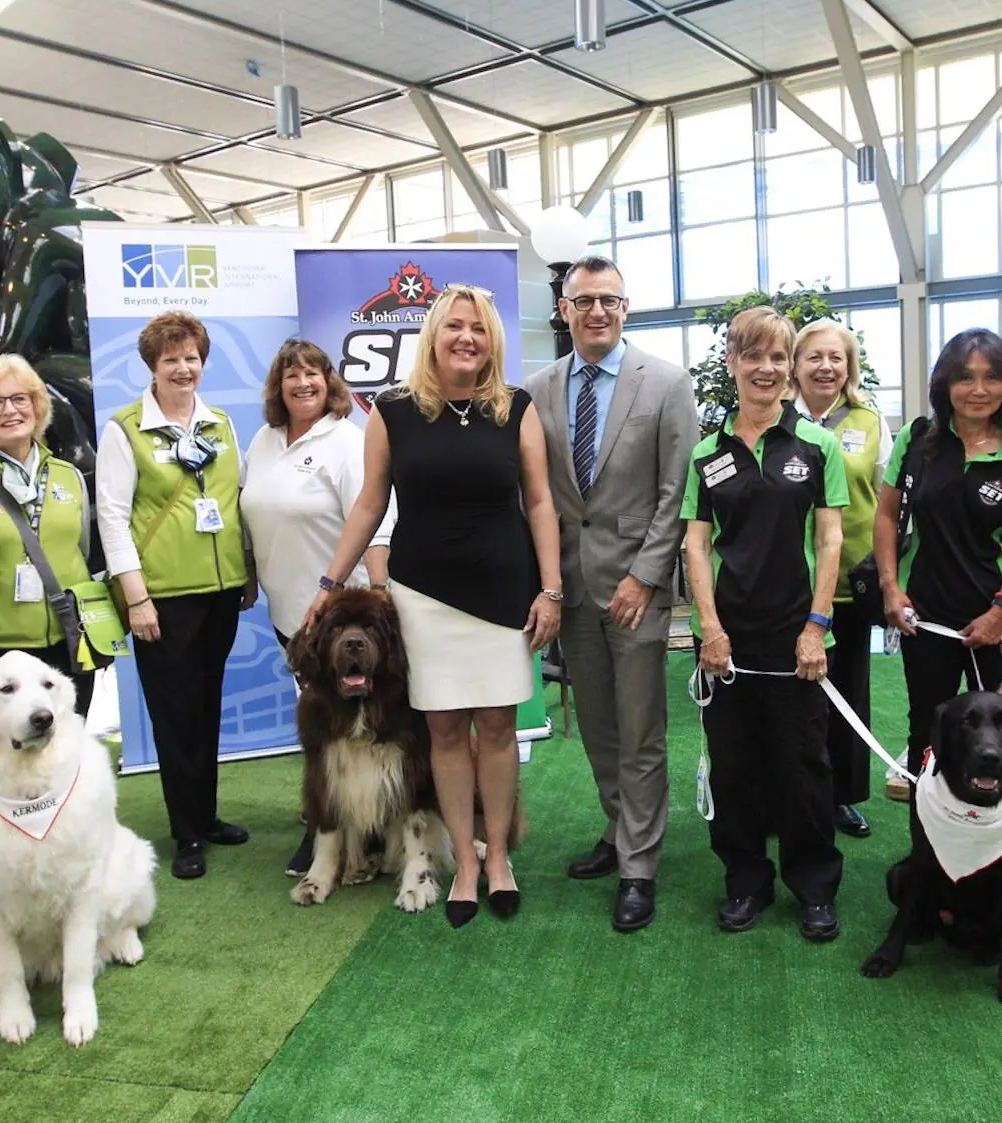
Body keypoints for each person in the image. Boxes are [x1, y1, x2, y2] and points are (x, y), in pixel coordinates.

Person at [311, 284, 562, 928]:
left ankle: (498, 855)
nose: (466, 339)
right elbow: (370, 504)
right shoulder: (392, 411)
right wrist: (329, 584)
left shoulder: (517, 408)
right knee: (446, 733)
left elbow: (539, 503)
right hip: (421, 596)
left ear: (493, 340)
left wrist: (551, 588)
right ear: (433, 334)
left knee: (499, 729)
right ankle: (466, 865)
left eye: (478, 330)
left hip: (503, 593)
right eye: (454, 327)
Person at [525, 255, 699, 933]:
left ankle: (640, 865)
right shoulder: (536, 390)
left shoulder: (667, 383)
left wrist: (645, 576)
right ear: (563, 310)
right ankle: (618, 827)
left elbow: (675, 494)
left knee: (641, 730)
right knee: (597, 726)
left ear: (627, 309)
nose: (597, 310)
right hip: (568, 588)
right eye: (584, 300)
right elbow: (536, 495)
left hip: (638, 588)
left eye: (610, 300)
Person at [682, 306, 848, 942]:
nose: (767, 368)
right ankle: (745, 881)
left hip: (797, 632)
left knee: (804, 764)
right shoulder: (707, 452)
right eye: (753, 356)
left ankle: (813, 887)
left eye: (779, 357)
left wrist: (816, 625)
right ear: (732, 364)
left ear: (789, 369)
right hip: (728, 636)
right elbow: (696, 546)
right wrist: (710, 629)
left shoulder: (817, 444)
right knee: (735, 766)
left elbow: (830, 541)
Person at [96, 311, 258, 881]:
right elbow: (112, 519)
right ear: (152, 366)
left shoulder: (220, 424)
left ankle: (206, 814)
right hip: (162, 597)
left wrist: (248, 573)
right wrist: (135, 597)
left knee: (206, 703)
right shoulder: (125, 429)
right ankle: (185, 831)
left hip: (220, 592)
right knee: (174, 712)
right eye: (172, 360)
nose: (183, 368)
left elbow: (236, 501)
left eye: (192, 358)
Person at [872, 329, 1002, 800]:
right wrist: (891, 588)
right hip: (926, 618)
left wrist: (1000, 611)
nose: (978, 389)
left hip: (997, 620)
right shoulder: (917, 440)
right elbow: (887, 515)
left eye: (991, 377)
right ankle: (929, 852)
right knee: (928, 734)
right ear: (944, 385)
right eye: (965, 377)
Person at [240, 337, 393, 878]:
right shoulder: (263, 440)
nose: (304, 384)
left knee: (354, 727)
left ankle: (343, 833)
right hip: (289, 615)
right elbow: (252, 513)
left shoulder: (347, 441)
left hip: (340, 617)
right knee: (320, 727)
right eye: (292, 376)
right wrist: (248, 575)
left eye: (314, 374)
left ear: (331, 382)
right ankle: (331, 821)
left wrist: (378, 592)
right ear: (278, 388)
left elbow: (376, 516)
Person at [791, 318, 893, 840]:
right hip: (786, 581)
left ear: (849, 367)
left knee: (847, 689)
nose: (826, 367)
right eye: (815, 357)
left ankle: (840, 797)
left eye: (837, 358)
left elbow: (887, 505)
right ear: (795, 364)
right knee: (792, 696)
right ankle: (789, 793)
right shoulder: (774, 418)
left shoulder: (870, 421)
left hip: (849, 581)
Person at [0, 354, 100, 714]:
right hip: (2, 651)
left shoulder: (70, 476)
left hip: (70, 642)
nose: (10, 410)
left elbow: (80, 548)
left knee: (70, 750)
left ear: (36, 407)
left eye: (20, 399)